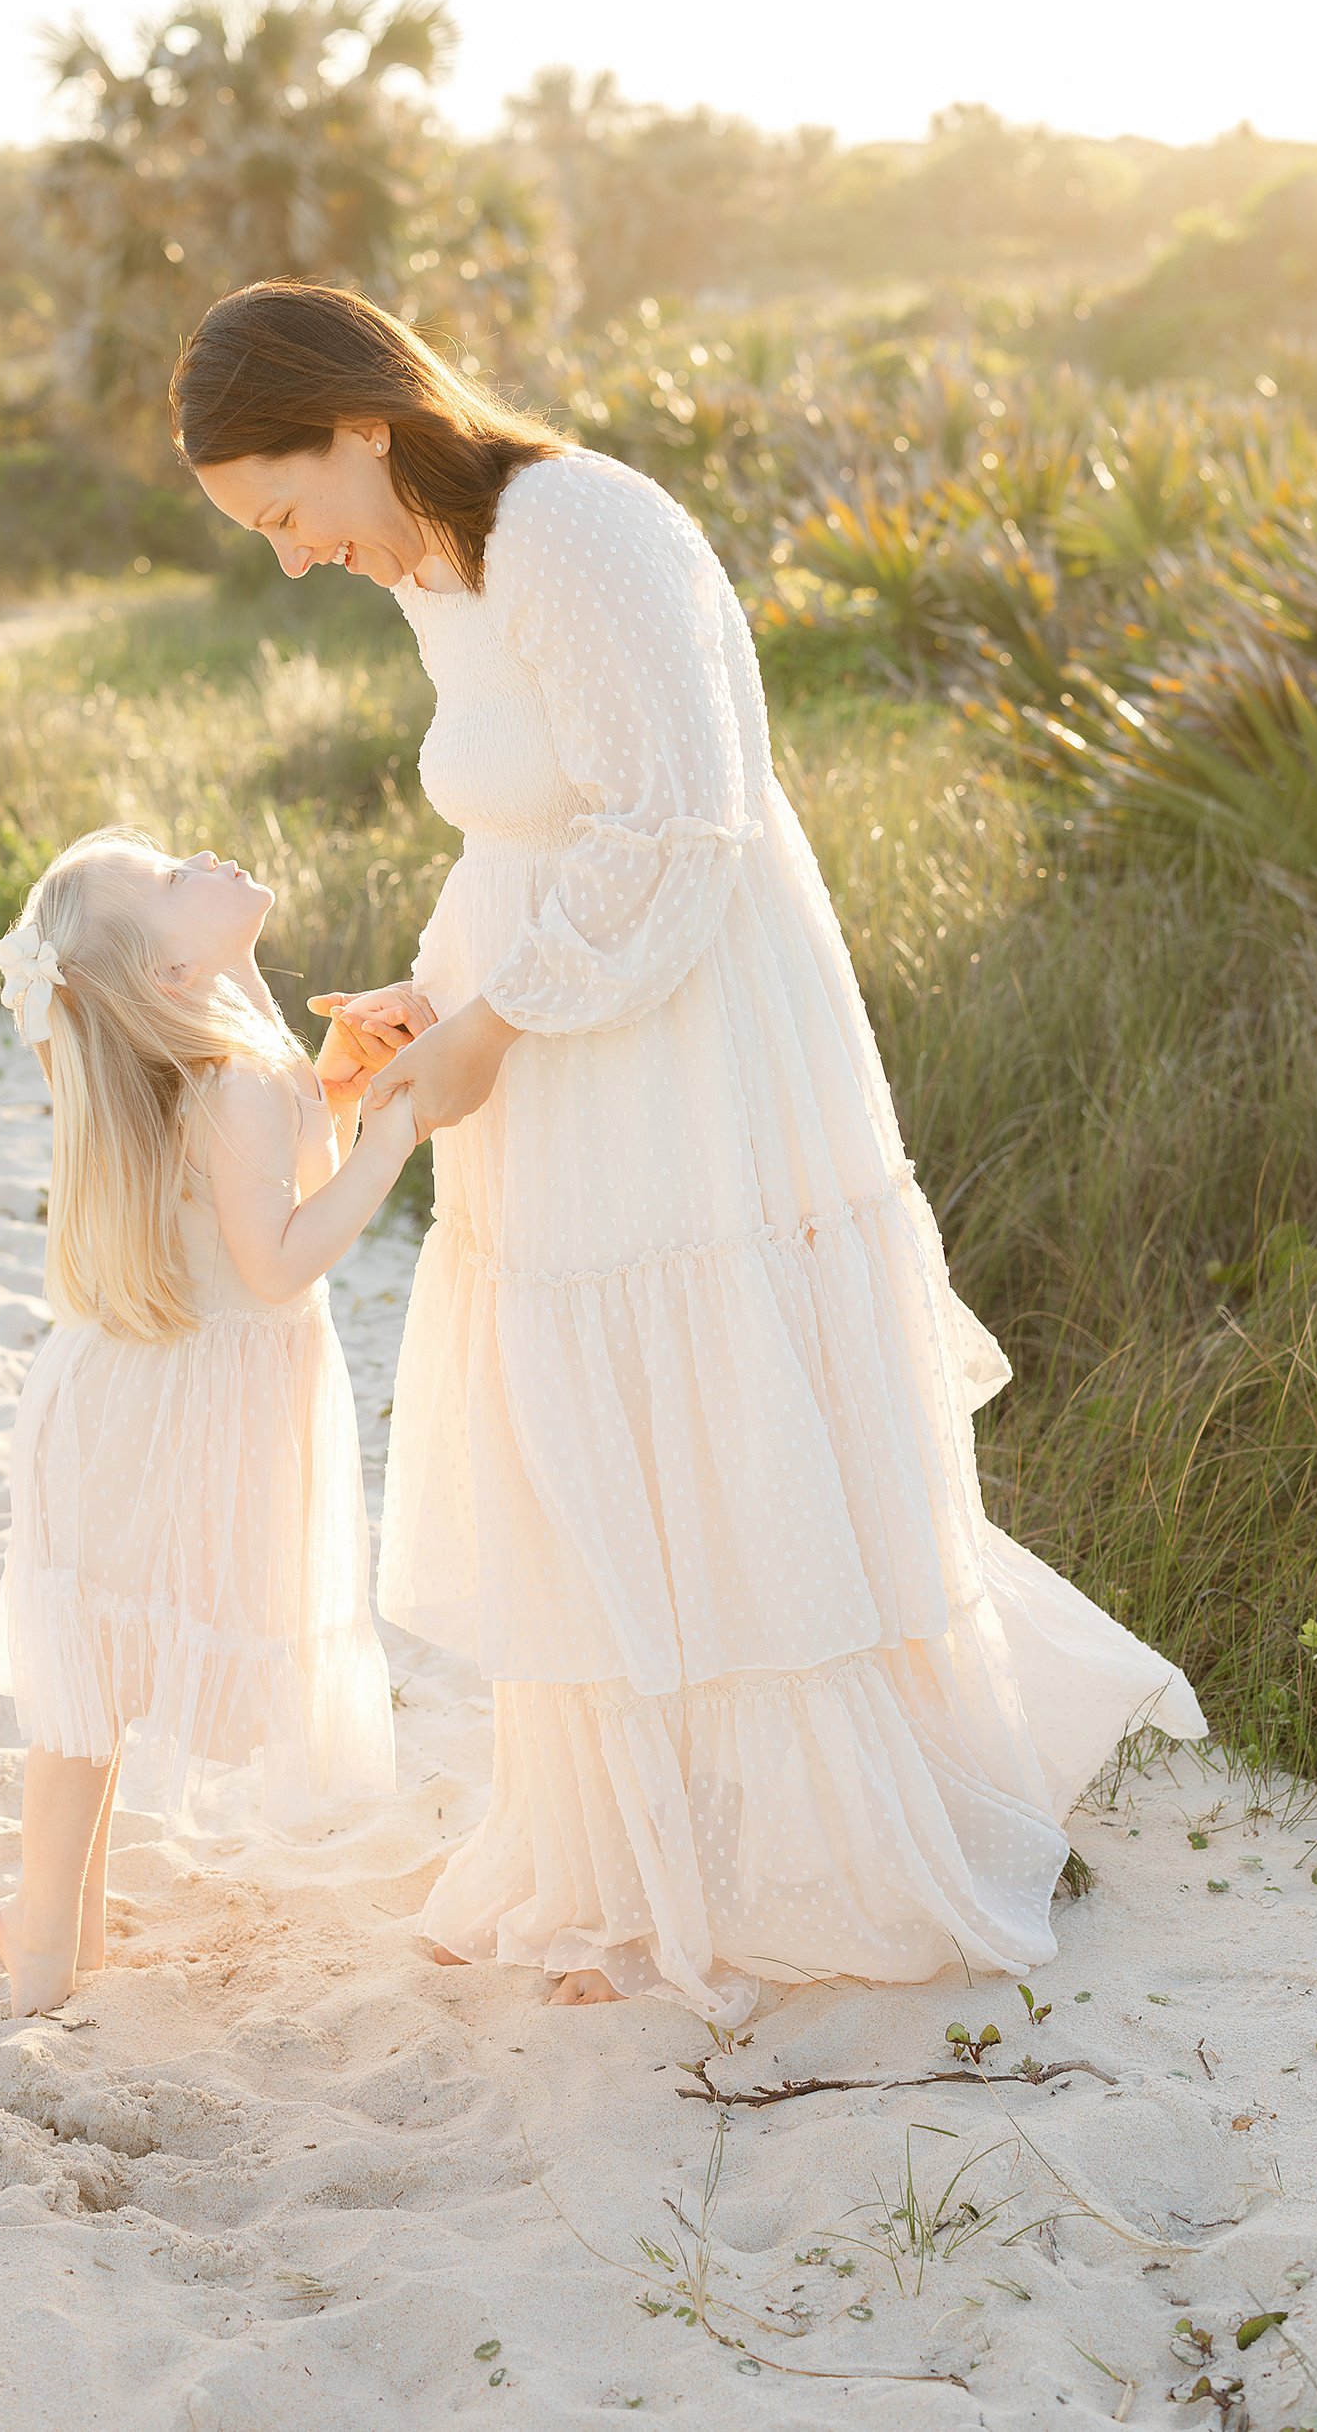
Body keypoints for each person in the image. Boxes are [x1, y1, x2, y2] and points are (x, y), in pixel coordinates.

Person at [177, 282, 1206, 2029]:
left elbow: (679, 821)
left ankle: (787, 1847)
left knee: (704, 1393)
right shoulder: (438, 567)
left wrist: (496, 1032)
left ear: (358, 423)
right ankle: (640, 1848)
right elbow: (530, 824)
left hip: (672, 1035)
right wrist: (431, 998)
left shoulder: (577, 525)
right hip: (549, 1017)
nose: (289, 562)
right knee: (590, 1420)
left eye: (285, 514)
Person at [0, 824, 413, 2017]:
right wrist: (390, 1143)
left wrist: (333, 1080)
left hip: (156, 1393)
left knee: (102, 1677)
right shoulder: (221, 1072)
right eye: (177, 879)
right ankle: (41, 1940)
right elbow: (276, 1261)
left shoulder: (237, 1042)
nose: (209, 859)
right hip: (152, 1406)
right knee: (90, 1683)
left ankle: (59, 1926)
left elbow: (283, 1162)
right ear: (169, 974)